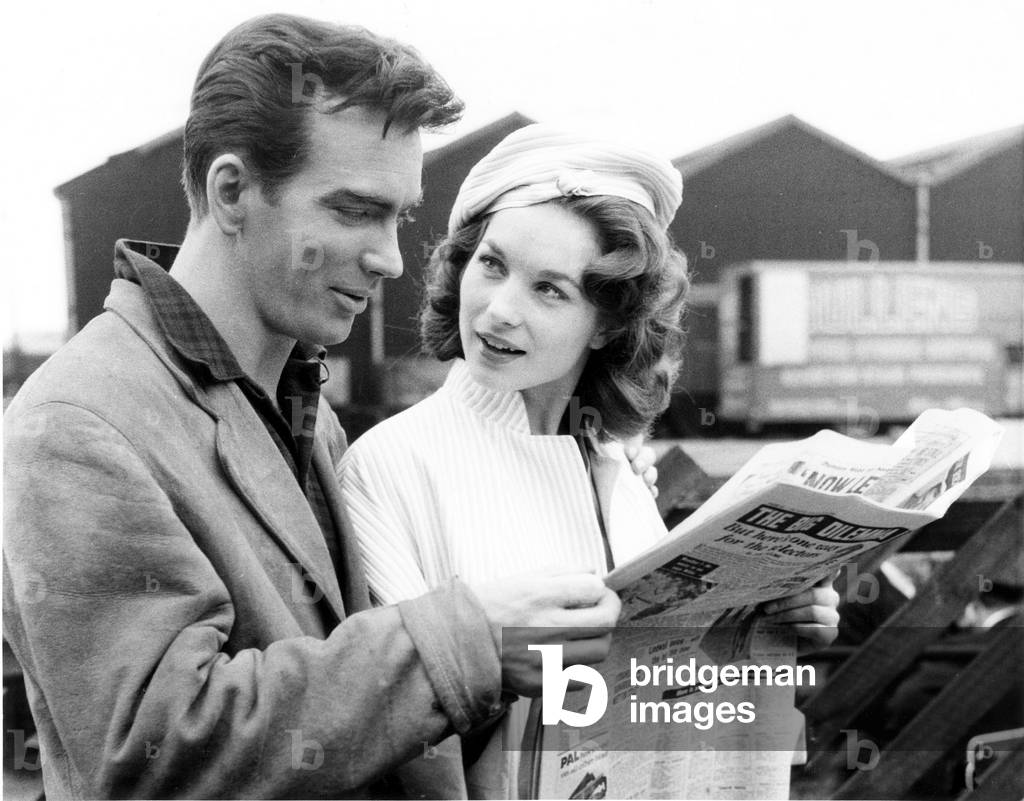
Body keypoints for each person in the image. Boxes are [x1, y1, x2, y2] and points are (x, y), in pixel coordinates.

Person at [1, 16, 628, 799]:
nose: (391, 258)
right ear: (233, 191)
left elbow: (354, 712)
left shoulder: (304, 409)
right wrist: (465, 640)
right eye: (354, 210)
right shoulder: (78, 423)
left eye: (398, 216)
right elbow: (150, 756)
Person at [339, 124, 841, 797]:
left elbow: (673, 692)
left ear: (606, 324)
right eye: (491, 264)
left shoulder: (619, 470)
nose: (498, 311)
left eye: (550, 290)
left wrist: (766, 628)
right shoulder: (390, 466)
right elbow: (408, 730)